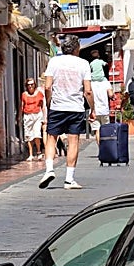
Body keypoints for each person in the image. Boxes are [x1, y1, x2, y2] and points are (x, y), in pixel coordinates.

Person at [40, 34, 94, 189]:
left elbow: (48, 87)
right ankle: (69, 179)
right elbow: (88, 91)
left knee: (51, 138)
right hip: (75, 108)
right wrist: (92, 109)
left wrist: (50, 104)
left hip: (57, 106)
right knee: (73, 141)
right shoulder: (83, 64)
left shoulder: (54, 61)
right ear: (77, 49)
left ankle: (49, 169)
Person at [21, 78, 45, 160]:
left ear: (35, 85)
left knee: (37, 134)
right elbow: (22, 105)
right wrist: (19, 116)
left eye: (32, 84)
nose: (30, 86)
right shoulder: (24, 95)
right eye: (28, 85)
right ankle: (30, 154)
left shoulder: (39, 94)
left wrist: (45, 117)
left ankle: (38, 152)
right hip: (27, 115)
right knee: (28, 135)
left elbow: (42, 106)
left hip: (37, 114)